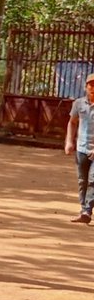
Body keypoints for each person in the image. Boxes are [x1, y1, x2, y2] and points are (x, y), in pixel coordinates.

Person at [65, 73, 94, 224]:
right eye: (91, 85)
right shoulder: (78, 104)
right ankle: (84, 210)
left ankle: (87, 210)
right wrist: (69, 142)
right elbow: (72, 122)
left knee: (93, 180)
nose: (93, 88)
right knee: (82, 181)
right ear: (86, 87)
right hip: (81, 148)